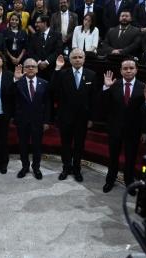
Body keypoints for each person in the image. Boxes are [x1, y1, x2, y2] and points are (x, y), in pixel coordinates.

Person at [101, 59, 146, 193]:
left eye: (131, 68)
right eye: (125, 68)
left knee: (131, 158)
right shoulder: (113, 84)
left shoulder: (144, 87)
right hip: (115, 129)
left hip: (133, 131)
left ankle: (129, 182)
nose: (128, 71)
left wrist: (144, 131)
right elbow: (103, 105)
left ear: (136, 70)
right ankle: (110, 180)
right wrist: (106, 88)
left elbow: (145, 113)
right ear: (121, 71)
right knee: (113, 157)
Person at [51, 48, 96, 182]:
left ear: (84, 59)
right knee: (65, 144)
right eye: (74, 57)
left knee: (79, 145)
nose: (77, 60)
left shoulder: (91, 75)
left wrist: (92, 118)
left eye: (80, 57)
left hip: (82, 119)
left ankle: (77, 169)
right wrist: (57, 69)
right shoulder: (62, 74)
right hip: (65, 117)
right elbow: (53, 90)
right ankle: (66, 168)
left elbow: (94, 99)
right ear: (69, 60)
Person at [12, 59, 51, 179]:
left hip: (38, 121)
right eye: (27, 66)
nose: (30, 68)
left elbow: (48, 104)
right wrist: (16, 80)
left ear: (37, 69)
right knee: (23, 146)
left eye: (33, 66)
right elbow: (10, 96)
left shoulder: (44, 83)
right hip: (22, 121)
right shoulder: (18, 82)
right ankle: (25, 167)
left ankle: (36, 168)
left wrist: (46, 121)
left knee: (37, 146)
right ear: (23, 69)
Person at [27, 15, 63, 80]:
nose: (35, 24)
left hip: (52, 69)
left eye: (38, 22)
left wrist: (47, 62)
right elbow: (31, 52)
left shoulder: (57, 35)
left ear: (45, 23)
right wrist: (39, 62)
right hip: (38, 70)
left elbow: (58, 51)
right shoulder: (34, 36)